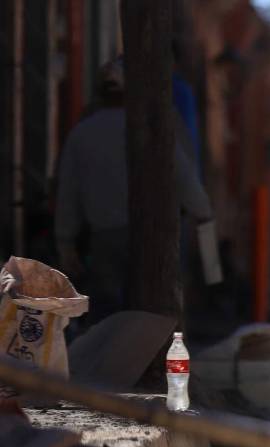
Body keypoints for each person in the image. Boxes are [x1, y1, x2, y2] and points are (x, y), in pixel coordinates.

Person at [55, 58, 210, 325]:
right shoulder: (150, 129)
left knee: (107, 315)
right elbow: (184, 177)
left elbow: (68, 193)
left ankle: (113, 350)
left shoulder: (81, 134)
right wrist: (204, 215)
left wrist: (65, 243)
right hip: (151, 237)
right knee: (153, 312)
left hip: (104, 238)